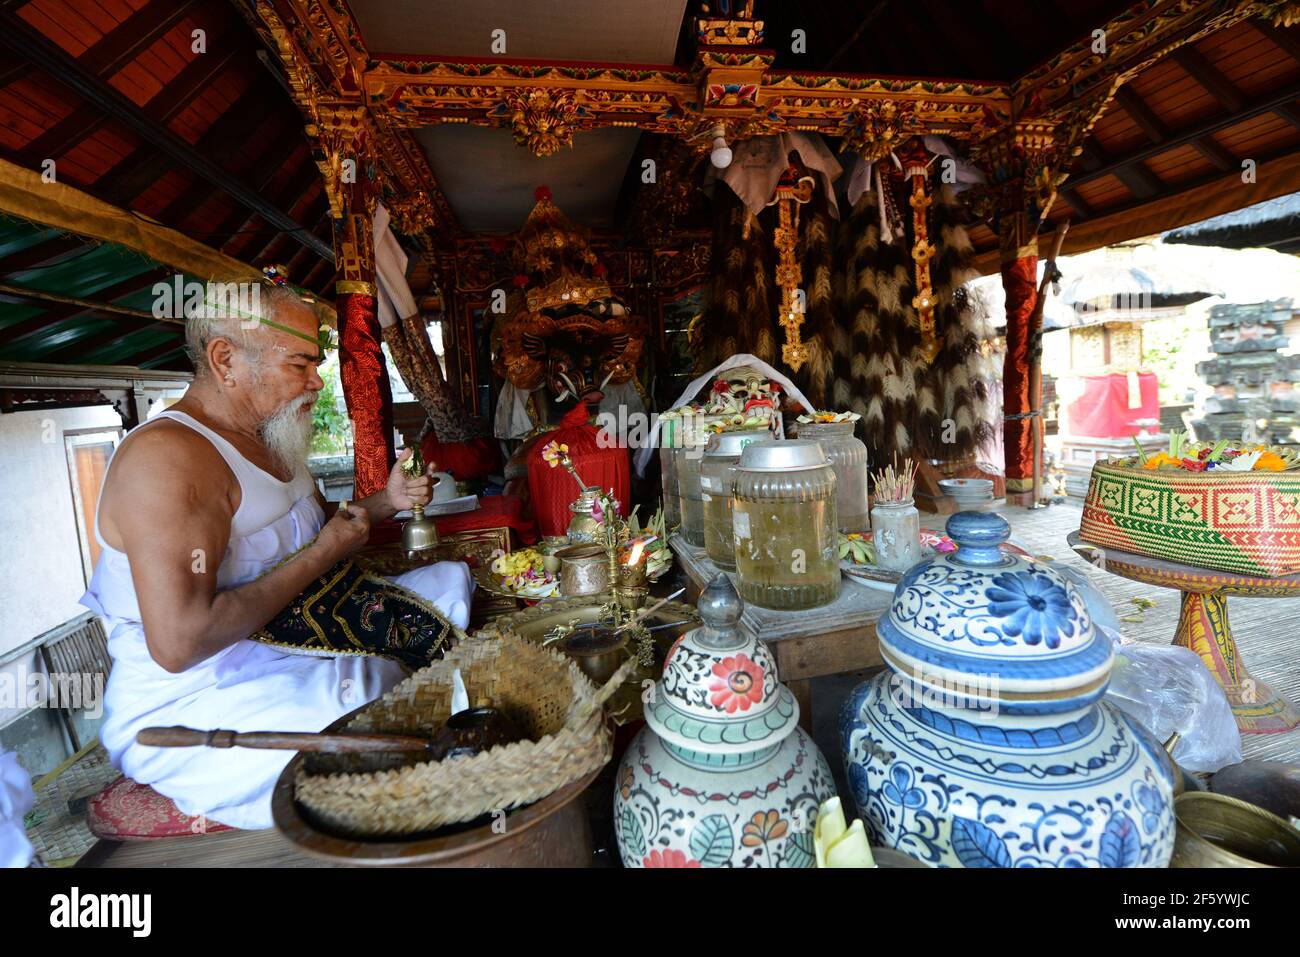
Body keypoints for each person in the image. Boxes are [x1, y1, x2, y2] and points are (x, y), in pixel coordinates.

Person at [81, 281, 472, 830]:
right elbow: (180, 643)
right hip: (200, 693)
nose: (317, 381)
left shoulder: (269, 434)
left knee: (452, 584)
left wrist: (389, 500)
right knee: (365, 704)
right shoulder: (167, 459)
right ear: (226, 360)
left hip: (296, 633)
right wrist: (327, 552)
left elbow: (317, 529)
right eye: (301, 363)